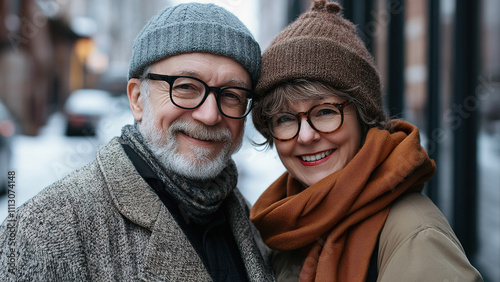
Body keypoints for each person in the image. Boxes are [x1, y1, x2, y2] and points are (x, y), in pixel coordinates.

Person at [0, 2, 274, 281]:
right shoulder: (42, 230)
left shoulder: (253, 225)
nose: (210, 114)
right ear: (137, 99)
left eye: (231, 95)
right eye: (186, 87)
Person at [249, 1, 483, 281]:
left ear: (363, 118)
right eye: (285, 119)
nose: (306, 136)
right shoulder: (285, 228)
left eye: (324, 112)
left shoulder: (415, 237)